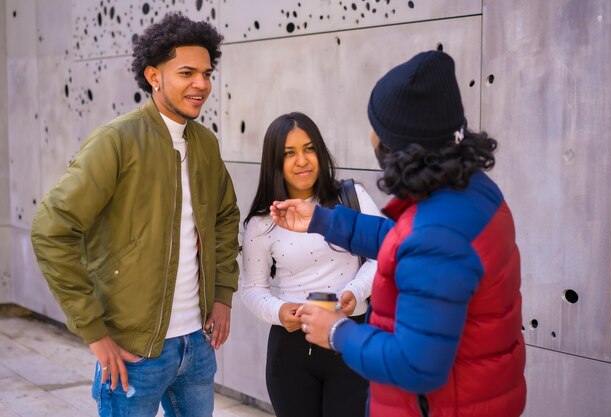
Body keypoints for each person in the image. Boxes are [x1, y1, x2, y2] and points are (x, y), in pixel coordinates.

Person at [269, 51, 526, 417]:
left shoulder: (436, 237)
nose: (371, 135)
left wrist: (336, 332)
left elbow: (416, 366)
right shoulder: (473, 191)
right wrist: (325, 221)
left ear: (397, 145)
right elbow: (409, 241)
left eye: (377, 127)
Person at [30, 12, 240, 417]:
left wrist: (222, 295)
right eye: (186, 72)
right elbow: (50, 229)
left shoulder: (205, 144)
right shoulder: (116, 141)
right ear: (154, 76)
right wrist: (95, 332)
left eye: (206, 73)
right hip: (134, 353)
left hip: (196, 345)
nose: (201, 84)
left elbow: (226, 216)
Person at [240, 112, 380, 417]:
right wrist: (278, 311)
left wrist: (356, 291)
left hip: (350, 338)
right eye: (289, 153)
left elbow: (383, 256)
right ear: (274, 162)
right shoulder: (262, 222)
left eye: (309, 148)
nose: (302, 160)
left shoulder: (351, 197)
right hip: (290, 348)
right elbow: (251, 289)